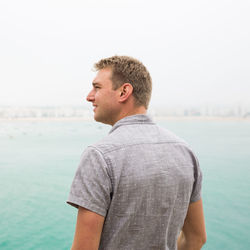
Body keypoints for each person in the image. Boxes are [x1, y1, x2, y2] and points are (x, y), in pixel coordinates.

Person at [67, 55, 206, 250]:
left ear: (124, 91)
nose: (89, 96)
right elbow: (196, 239)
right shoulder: (185, 152)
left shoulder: (99, 156)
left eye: (97, 87)